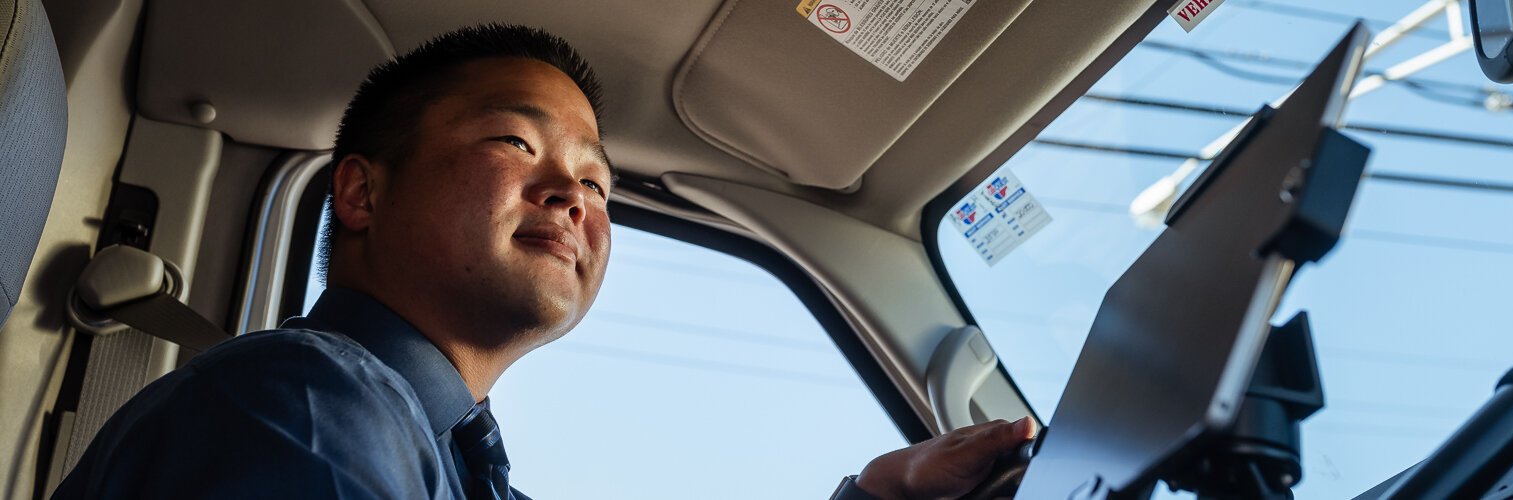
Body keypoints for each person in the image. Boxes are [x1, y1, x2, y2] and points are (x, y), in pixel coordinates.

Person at [52, 24, 1036, 500]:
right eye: (516, 147)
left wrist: (885, 490)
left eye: (598, 183)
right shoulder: (305, 405)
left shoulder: (447, 452)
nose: (572, 194)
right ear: (359, 192)